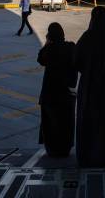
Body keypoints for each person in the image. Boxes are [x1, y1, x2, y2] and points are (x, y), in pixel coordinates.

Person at [74, 6, 105, 167]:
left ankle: (89, 156)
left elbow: (76, 61)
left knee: (89, 122)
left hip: (90, 88)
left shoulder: (87, 37)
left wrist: (89, 71)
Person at [37, 23, 78, 157]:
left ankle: (53, 150)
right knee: (66, 123)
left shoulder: (50, 49)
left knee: (50, 123)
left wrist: (48, 43)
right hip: (66, 93)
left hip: (50, 93)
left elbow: (40, 59)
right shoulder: (70, 47)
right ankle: (65, 148)